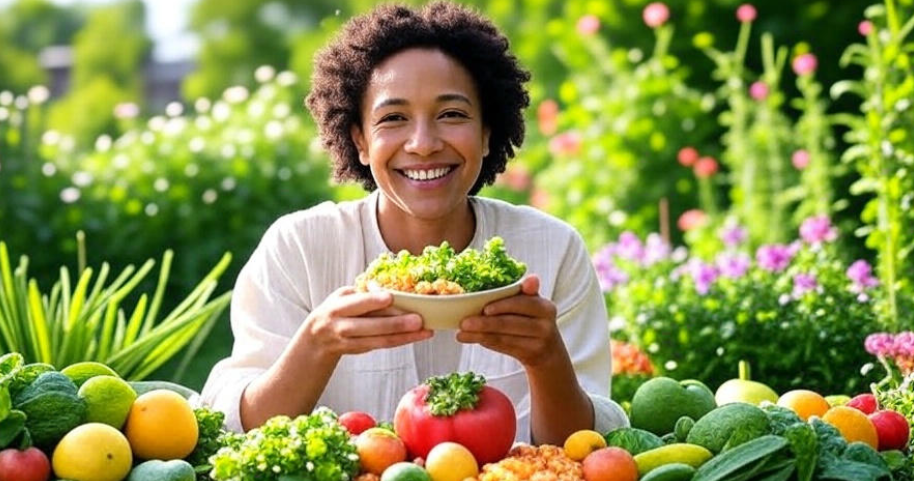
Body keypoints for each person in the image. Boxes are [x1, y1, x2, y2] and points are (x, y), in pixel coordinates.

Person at [200, 1, 628, 445]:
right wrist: (316, 345)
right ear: (360, 141)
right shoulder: (300, 248)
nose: (423, 144)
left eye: (452, 115)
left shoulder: (552, 250)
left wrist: (546, 360)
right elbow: (235, 429)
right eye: (394, 119)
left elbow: (582, 450)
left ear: (486, 133)